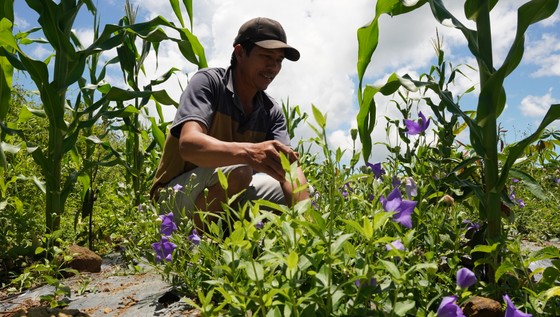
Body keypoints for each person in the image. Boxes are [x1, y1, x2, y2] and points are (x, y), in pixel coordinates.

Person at [150, 17, 310, 231]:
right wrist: (248, 152)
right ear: (240, 53)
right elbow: (189, 145)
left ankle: (235, 239)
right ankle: (192, 249)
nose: (273, 66)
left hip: (231, 190)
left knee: (299, 194)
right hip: (175, 197)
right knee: (240, 170)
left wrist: (308, 226)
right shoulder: (208, 83)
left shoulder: (271, 111)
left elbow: (289, 168)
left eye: (279, 60)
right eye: (266, 56)